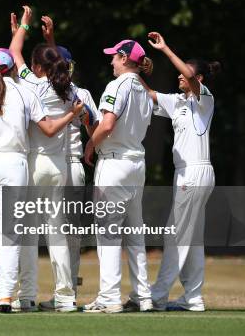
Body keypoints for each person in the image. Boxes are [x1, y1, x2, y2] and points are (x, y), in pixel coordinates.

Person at [0, 47, 82, 313]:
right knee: (11, 232)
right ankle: (6, 296)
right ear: (14, 70)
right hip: (15, 162)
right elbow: (50, 129)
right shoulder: (26, 93)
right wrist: (72, 115)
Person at [9, 6, 87, 313]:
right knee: (58, 233)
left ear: (35, 67)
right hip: (59, 167)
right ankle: (66, 296)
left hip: (35, 164)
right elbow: (60, 66)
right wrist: (51, 39)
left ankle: (27, 295)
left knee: (27, 231)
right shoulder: (69, 91)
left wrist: (23, 27)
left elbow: (14, 50)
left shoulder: (31, 84)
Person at [143, 32, 219, 312]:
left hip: (195, 173)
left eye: (184, 75)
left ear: (197, 79)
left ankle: (158, 295)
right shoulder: (178, 102)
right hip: (186, 174)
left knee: (176, 234)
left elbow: (184, 71)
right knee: (193, 236)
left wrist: (164, 49)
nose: (178, 77)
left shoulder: (204, 101)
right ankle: (193, 297)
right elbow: (149, 94)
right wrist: (135, 71)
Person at [82, 40, 154, 313]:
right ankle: (142, 296)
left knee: (108, 232)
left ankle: (110, 297)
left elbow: (108, 124)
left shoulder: (117, 86)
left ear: (124, 59)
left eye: (114, 57)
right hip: (137, 164)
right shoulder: (144, 90)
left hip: (114, 164)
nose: (111, 62)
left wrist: (91, 143)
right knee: (135, 232)